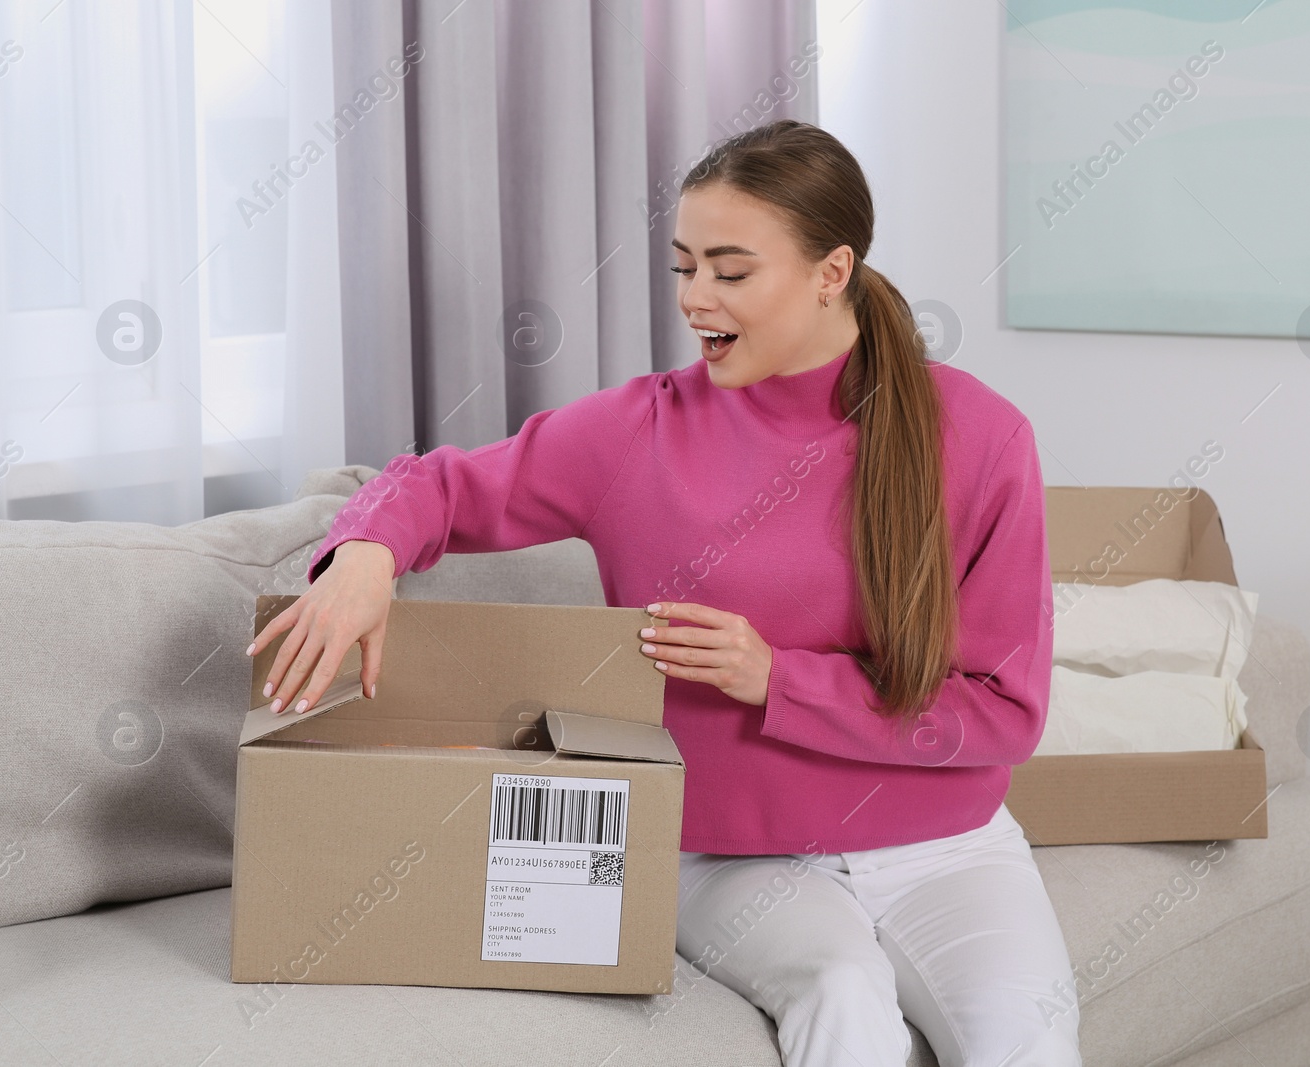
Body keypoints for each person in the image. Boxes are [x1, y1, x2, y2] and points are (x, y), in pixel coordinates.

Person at [247, 119, 1082, 1067]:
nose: (694, 298)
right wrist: (362, 558)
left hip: (949, 842)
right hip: (728, 853)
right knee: (847, 1004)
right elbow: (438, 485)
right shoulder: (636, 432)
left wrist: (778, 679)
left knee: (1034, 1038)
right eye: (683, 266)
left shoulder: (982, 437)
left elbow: (1006, 714)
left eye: (730, 271)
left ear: (831, 270)